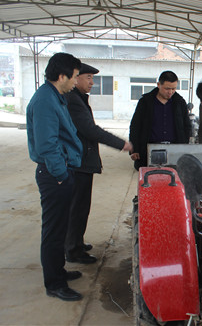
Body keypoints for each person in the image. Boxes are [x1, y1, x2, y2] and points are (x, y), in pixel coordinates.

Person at [26, 52, 84, 301]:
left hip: (61, 170)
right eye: (74, 77)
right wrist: (61, 175)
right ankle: (54, 283)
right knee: (53, 230)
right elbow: (47, 145)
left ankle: (58, 270)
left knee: (60, 227)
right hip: (54, 174)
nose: (76, 81)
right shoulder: (45, 101)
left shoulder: (54, 96)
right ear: (61, 76)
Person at [64, 63, 133, 264]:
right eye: (88, 78)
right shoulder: (73, 101)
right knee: (77, 207)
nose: (92, 82)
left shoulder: (77, 98)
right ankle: (73, 249)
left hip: (82, 162)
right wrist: (121, 143)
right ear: (75, 78)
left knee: (82, 206)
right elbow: (89, 130)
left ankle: (76, 241)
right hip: (78, 163)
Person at [129, 71, 191, 170]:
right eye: (167, 88)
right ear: (158, 85)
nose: (170, 92)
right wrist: (134, 149)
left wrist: (184, 147)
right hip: (149, 150)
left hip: (173, 150)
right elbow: (135, 126)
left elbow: (187, 126)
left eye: (173, 88)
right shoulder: (145, 102)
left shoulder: (180, 103)